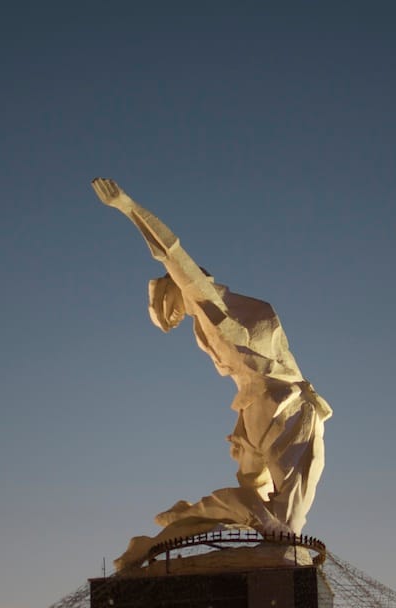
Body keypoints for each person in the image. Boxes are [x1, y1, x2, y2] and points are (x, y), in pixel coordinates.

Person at [93, 178, 332, 570]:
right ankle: (195, 521)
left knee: (277, 523)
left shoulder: (214, 309)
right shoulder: (212, 321)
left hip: (274, 406)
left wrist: (129, 207)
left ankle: (164, 535)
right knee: (286, 531)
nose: (176, 313)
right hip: (270, 407)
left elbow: (172, 253)